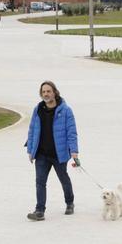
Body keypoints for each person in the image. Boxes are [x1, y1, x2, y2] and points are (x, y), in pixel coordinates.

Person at [24, 81, 79, 220]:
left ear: (54, 92)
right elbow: (32, 130)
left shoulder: (65, 110)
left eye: (48, 91)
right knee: (40, 182)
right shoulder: (38, 109)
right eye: (43, 92)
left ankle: (69, 203)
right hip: (41, 153)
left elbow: (71, 132)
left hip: (58, 154)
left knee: (63, 179)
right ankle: (39, 211)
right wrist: (30, 150)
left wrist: (74, 151)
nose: (46, 94)